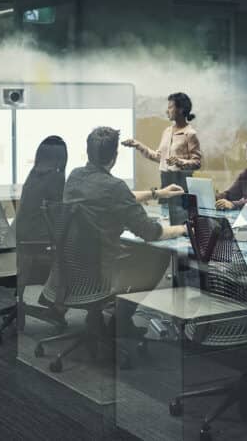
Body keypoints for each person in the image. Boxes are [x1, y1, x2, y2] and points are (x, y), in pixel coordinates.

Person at [43, 126, 186, 338]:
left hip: (72, 268)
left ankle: (99, 316)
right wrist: (183, 228)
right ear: (115, 157)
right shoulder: (114, 187)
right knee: (159, 254)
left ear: (88, 151)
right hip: (99, 272)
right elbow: (151, 232)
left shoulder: (75, 177)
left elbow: (114, 195)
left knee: (133, 250)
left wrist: (157, 193)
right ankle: (121, 321)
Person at [122, 92, 202, 216]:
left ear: (181, 109)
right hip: (165, 183)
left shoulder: (190, 134)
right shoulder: (167, 131)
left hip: (182, 186)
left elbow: (197, 163)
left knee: (182, 222)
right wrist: (138, 145)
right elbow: (159, 157)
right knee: (165, 218)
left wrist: (180, 162)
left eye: (170, 107)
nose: (167, 111)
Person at [15, 136, 68, 285]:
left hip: (23, 233)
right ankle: (62, 296)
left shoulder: (34, 174)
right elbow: (59, 211)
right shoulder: (55, 177)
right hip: (37, 236)